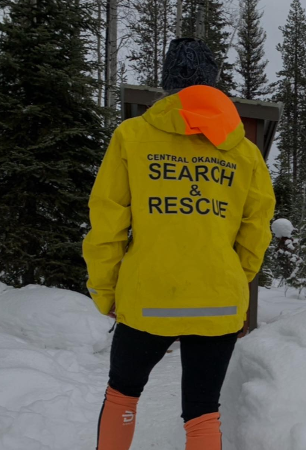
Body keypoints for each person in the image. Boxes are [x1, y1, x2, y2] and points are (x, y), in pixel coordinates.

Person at [83, 38, 275, 450]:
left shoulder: (132, 136)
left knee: (122, 394)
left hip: (146, 298)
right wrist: (236, 282)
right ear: (213, 82)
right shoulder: (244, 152)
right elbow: (256, 229)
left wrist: (105, 290)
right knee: (203, 410)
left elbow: (107, 222)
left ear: (167, 82)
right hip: (218, 301)